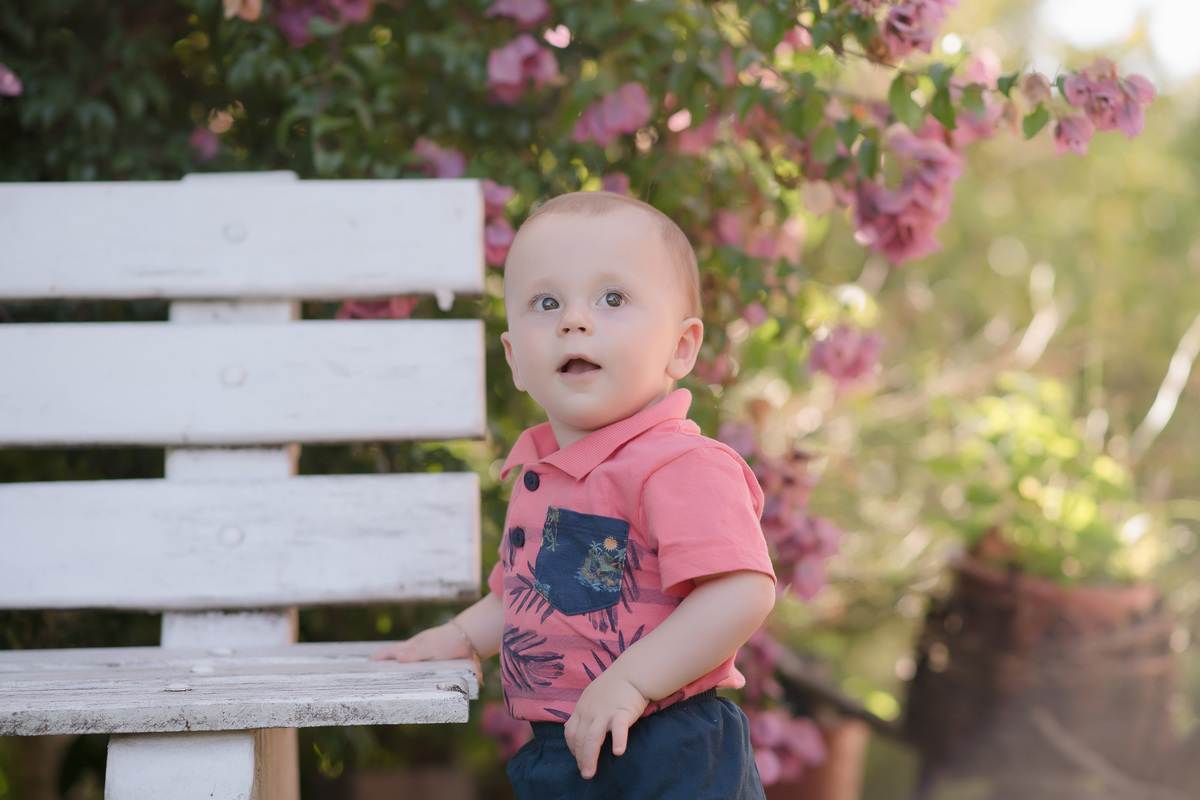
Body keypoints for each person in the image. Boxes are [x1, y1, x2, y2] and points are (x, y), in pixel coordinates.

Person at [373, 191, 777, 798]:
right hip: (560, 751)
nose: (574, 320)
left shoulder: (680, 465)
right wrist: (458, 638)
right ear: (515, 359)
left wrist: (633, 682)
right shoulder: (543, 475)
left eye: (612, 299)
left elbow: (741, 591)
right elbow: (528, 596)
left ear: (681, 347)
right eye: (546, 303)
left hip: (667, 747)